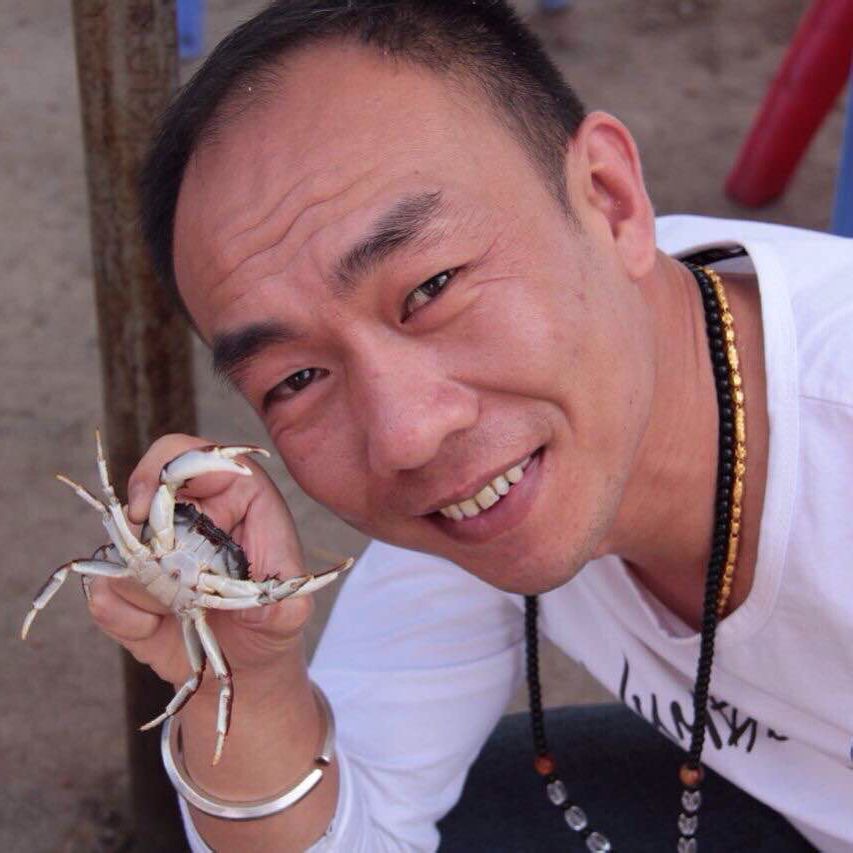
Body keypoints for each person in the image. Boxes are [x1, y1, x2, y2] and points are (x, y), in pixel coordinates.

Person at [84, 1, 852, 850]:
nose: (405, 435)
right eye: (296, 378)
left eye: (430, 288)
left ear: (609, 200)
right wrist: (249, 682)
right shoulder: (487, 492)